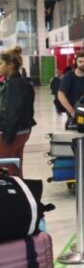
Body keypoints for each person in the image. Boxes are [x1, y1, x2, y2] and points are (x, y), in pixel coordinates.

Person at [0, 47, 35, 177]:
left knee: (4, 170)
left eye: (0, 63)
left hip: (11, 133)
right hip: (22, 131)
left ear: (10, 65)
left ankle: (7, 196)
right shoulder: (23, 82)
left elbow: (13, 112)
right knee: (15, 168)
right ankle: (19, 194)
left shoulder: (14, 85)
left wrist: (8, 138)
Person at [57, 50, 84, 121]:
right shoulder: (69, 76)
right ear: (76, 62)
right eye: (80, 61)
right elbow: (60, 94)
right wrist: (72, 112)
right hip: (75, 113)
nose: (83, 64)